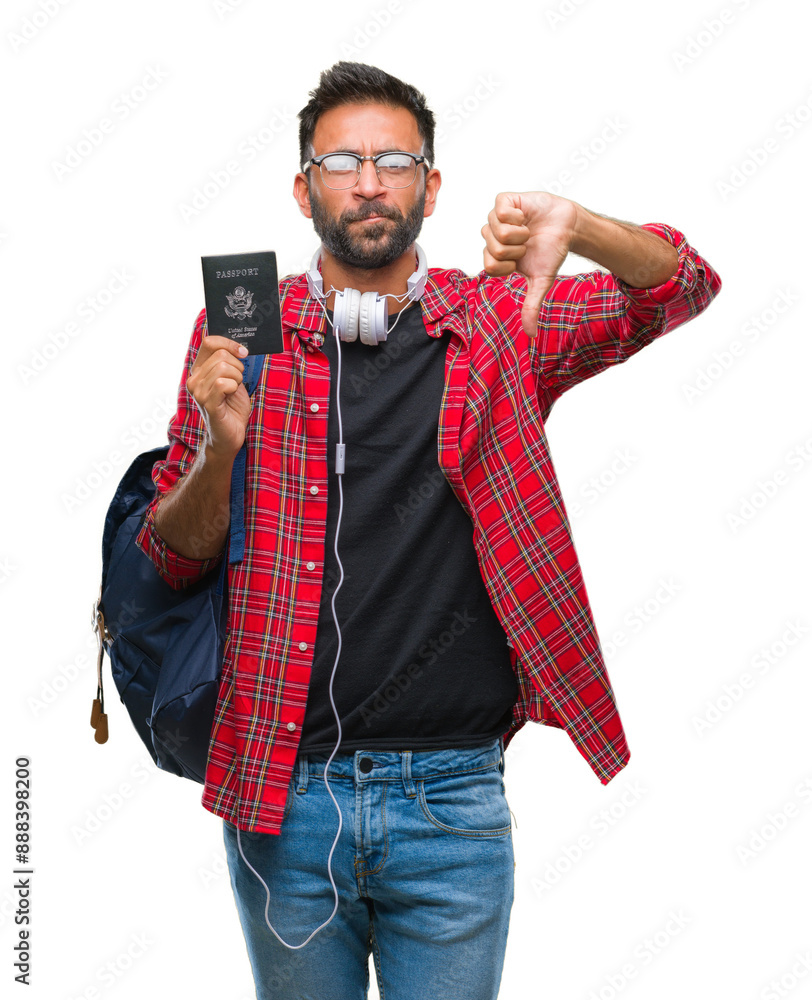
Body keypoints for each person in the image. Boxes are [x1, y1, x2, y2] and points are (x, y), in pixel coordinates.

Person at [136, 61, 721, 1000]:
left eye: (395, 159)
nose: (369, 181)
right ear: (304, 189)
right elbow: (171, 555)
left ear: (431, 186)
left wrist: (580, 224)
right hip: (285, 798)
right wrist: (220, 446)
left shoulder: (499, 322)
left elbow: (683, 288)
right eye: (342, 160)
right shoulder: (238, 335)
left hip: (452, 801)